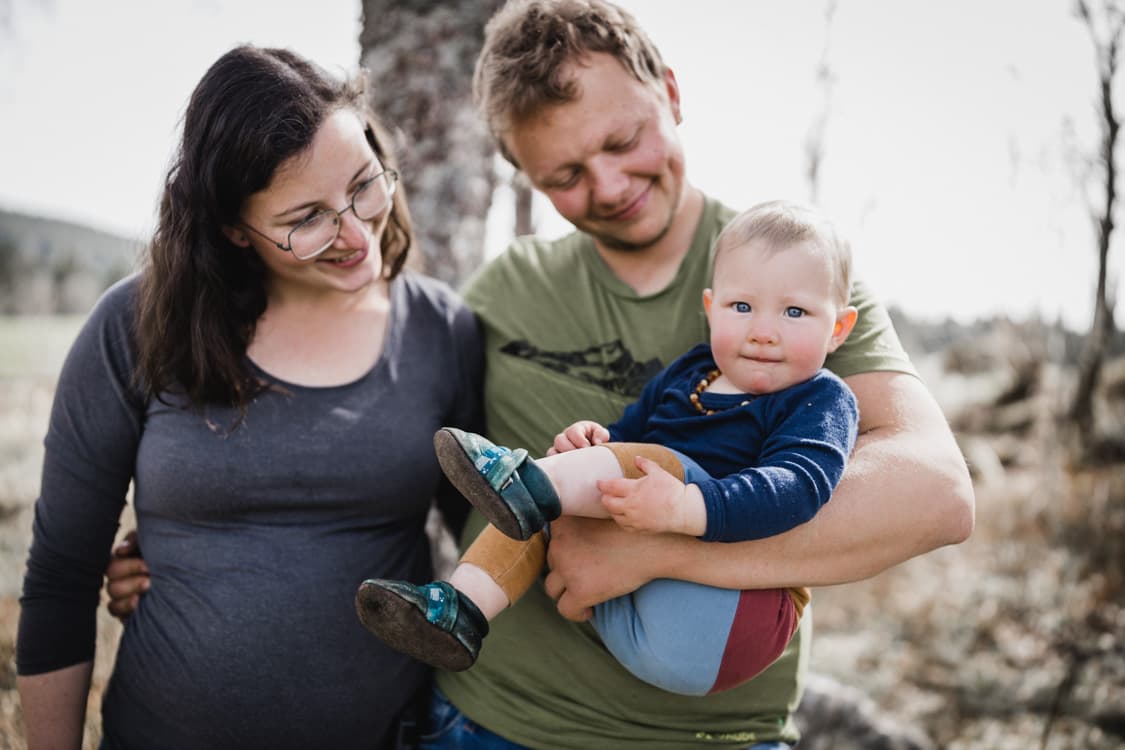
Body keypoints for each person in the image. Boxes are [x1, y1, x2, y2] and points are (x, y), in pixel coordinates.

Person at [106, 1, 975, 747]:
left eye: (623, 139)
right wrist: (196, 549)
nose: (608, 185)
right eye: (562, 174)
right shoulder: (500, 297)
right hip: (490, 722)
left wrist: (651, 548)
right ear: (521, 176)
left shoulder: (788, 281)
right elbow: (367, 437)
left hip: (713, 731)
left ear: (669, 91)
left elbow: (934, 496)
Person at [16, 45, 483, 750]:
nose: (355, 233)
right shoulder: (135, 325)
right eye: (306, 218)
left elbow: (482, 534)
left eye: (364, 185)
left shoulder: (441, 330)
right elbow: (59, 578)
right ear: (234, 228)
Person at [356, 200, 860, 698]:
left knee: (650, 468)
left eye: (794, 312)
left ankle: (533, 480)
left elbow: (801, 487)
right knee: (548, 507)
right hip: (630, 620)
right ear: (711, 308)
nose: (763, 331)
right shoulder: (691, 372)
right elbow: (625, 435)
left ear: (837, 328)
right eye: (742, 307)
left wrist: (687, 507)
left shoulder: (819, 396)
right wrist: (589, 443)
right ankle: (460, 610)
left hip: (737, 618)